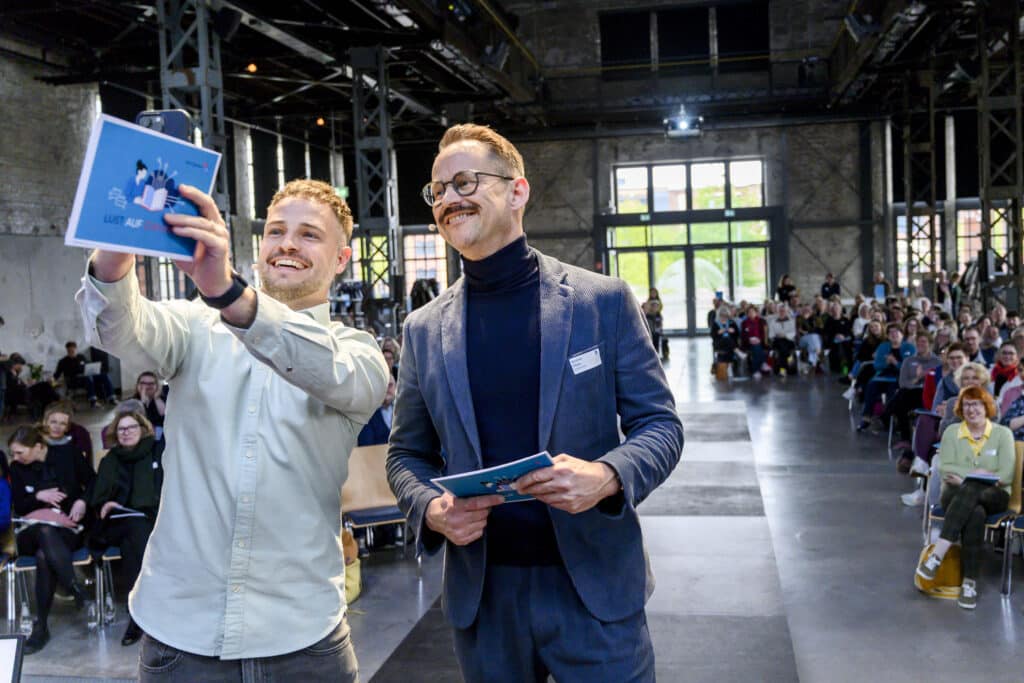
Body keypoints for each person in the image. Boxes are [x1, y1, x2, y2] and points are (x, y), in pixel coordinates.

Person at [387, 123, 683, 683]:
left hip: (593, 589)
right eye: (438, 190)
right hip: (485, 598)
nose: (449, 199)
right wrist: (431, 508)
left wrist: (606, 476)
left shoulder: (602, 302)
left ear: (517, 191)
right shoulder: (423, 329)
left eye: (466, 182)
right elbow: (406, 456)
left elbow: (660, 426)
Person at [75, 179, 389, 681]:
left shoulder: (357, 353)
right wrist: (120, 241)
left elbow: (328, 371)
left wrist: (227, 293)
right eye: (276, 231)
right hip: (183, 632)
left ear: (342, 259)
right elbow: (120, 327)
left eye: (309, 234)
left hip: (303, 637)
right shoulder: (194, 328)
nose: (288, 244)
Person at [916, 386, 1014, 609]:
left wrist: (966, 478)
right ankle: (969, 582)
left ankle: (938, 555)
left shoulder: (1003, 434)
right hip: (954, 492)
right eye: (967, 404)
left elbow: (1006, 476)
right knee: (975, 512)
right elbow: (946, 468)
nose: (972, 409)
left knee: (971, 489)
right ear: (961, 408)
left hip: (995, 496)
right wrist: (980, 475)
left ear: (987, 407)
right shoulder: (952, 432)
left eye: (977, 404)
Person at [7, 424, 96, 654]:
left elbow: (93, 481)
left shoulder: (68, 454)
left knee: (44, 556)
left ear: (38, 446)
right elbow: (20, 506)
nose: (15, 458)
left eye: (19, 452)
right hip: (31, 531)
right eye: (13, 453)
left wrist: (82, 501)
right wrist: (38, 496)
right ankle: (74, 587)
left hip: (67, 527)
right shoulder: (16, 468)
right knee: (44, 532)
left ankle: (41, 627)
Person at [89, 409, 164, 646]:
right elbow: (98, 498)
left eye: (132, 427)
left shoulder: (157, 452)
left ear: (143, 429)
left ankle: (137, 617)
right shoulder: (110, 460)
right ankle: (152, 609)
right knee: (133, 527)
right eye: (121, 429)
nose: (126, 432)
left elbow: (163, 491)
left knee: (130, 546)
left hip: (150, 520)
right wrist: (109, 503)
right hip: (114, 522)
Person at [54, 341, 114, 407]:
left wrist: (94, 369)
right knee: (88, 378)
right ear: (67, 350)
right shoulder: (63, 361)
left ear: (75, 349)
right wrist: (52, 380)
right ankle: (93, 401)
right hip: (74, 380)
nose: (71, 352)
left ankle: (111, 398)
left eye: (73, 350)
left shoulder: (81, 357)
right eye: (69, 351)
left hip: (86, 376)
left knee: (104, 375)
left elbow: (88, 365)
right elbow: (57, 374)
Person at [357, 376, 396, 446]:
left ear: (396, 387)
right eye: (383, 386)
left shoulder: (404, 410)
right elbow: (366, 446)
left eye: (390, 385)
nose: (387, 389)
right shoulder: (366, 415)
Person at [131, 372, 166, 437]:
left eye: (151, 383)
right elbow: (136, 421)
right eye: (143, 383)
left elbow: (165, 417)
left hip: (160, 433)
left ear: (157, 386)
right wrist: (143, 402)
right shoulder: (132, 402)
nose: (146, 386)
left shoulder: (163, 398)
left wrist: (156, 398)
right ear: (137, 385)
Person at [642, 288, 668, 360]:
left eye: (654, 292)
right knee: (652, 337)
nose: (653, 294)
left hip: (656, 324)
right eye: (652, 292)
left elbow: (660, 323)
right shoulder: (647, 304)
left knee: (658, 337)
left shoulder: (658, 314)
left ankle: (660, 352)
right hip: (651, 323)